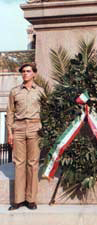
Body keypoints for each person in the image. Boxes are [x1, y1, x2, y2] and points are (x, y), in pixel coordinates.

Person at [7, 63, 44, 211]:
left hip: (35, 127)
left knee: (33, 163)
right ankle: (18, 200)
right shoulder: (15, 91)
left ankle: (31, 199)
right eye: (23, 71)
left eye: (28, 71)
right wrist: (10, 132)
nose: (25, 74)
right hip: (19, 128)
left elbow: (46, 110)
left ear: (34, 74)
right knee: (19, 163)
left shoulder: (41, 91)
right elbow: (10, 112)